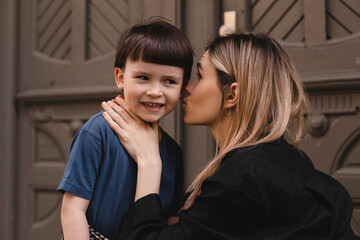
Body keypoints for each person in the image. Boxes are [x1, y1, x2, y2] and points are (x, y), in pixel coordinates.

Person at [101, 33, 357, 239]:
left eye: (199, 76)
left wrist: (149, 161)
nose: (184, 90)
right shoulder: (273, 159)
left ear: (231, 95)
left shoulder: (244, 177)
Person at [57, 19, 193, 240]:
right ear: (120, 77)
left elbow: (170, 219)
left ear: (181, 89)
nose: (155, 91)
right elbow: (72, 210)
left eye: (169, 81)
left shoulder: (173, 152)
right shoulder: (97, 132)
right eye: (143, 78)